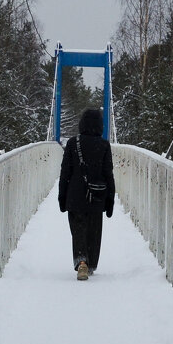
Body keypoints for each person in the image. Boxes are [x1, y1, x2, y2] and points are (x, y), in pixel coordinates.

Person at [58, 108, 115, 281]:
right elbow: (108, 173)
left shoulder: (73, 143)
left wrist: (62, 196)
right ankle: (90, 264)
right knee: (94, 231)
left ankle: (81, 261)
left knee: (78, 229)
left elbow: (65, 172)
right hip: (97, 196)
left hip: (75, 195)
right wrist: (110, 200)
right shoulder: (104, 145)